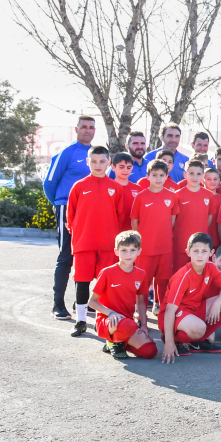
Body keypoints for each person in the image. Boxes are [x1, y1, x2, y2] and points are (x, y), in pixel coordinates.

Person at [65, 144, 127, 336]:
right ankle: (81, 320)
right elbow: (70, 216)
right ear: (87, 162)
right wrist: (80, 235)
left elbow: (120, 216)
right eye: (94, 161)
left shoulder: (116, 188)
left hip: (108, 246)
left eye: (102, 161)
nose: (98, 165)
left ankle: (107, 321)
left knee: (107, 287)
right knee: (82, 283)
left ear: (109, 162)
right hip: (84, 245)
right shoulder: (79, 186)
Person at [44, 115, 97, 319]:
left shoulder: (95, 154)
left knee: (86, 257)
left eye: (91, 127)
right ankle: (58, 304)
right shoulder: (66, 153)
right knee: (66, 255)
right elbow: (49, 183)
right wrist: (59, 205)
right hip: (67, 207)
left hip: (90, 210)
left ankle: (81, 302)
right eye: (84, 127)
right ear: (76, 129)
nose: (87, 130)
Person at [161, 233, 221, 361]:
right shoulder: (183, 276)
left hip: (195, 309)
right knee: (199, 328)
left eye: (204, 251)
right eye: (196, 251)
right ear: (188, 252)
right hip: (176, 312)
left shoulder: (210, 267)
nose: (200, 255)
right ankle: (174, 339)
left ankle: (197, 342)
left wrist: (217, 304)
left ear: (211, 253)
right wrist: (169, 343)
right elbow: (169, 310)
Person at [88, 231, 158, 359]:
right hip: (108, 319)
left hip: (127, 322)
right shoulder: (107, 272)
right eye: (124, 250)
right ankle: (112, 341)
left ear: (139, 251)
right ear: (116, 251)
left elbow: (141, 302)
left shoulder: (141, 274)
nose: (128, 254)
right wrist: (111, 313)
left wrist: (143, 325)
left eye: (132, 250)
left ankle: (122, 342)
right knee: (128, 325)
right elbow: (92, 302)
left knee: (150, 351)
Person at [130, 159, 180, 313]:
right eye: (154, 175)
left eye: (161, 175)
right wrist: (139, 242)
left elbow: (172, 219)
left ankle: (162, 309)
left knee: (164, 280)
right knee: (143, 281)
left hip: (164, 247)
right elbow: (134, 221)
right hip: (146, 248)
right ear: (148, 177)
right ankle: (140, 311)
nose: (158, 178)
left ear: (166, 177)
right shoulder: (141, 196)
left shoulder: (172, 197)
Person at [173, 160, 216, 273]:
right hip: (181, 244)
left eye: (198, 174)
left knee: (199, 274)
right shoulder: (177, 195)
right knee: (179, 273)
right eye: (191, 173)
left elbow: (209, 218)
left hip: (201, 245)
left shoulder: (209, 195)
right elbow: (172, 221)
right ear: (185, 174)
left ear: (203, 176)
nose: (194, 177)